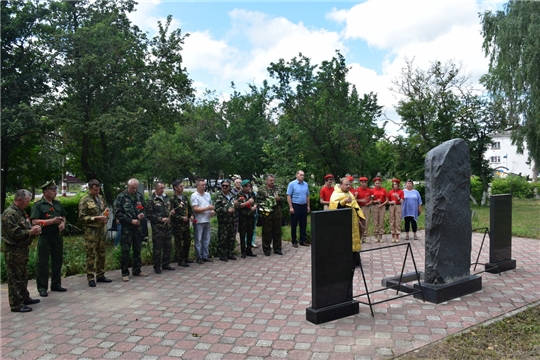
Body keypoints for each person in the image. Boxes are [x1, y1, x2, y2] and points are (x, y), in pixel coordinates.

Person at [2, 189, 42, 312]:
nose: (28, 204)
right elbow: (15, 233)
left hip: (22, 249)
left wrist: (33, 229)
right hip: (13, 250)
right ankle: (16, 304)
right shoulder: (9, 214)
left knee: (23, 275)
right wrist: (31, 232)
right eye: (27, 201)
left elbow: (25, 226)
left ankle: (24, 298)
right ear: (19, 200)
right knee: (15, 277)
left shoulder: (20, 212)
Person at [31, 180, 67, 297]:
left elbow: (63, 217)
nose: (55, 192)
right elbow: (35, 221)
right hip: (45, 236)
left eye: (55, 190)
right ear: (46, 192)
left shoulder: (57, 204)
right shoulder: (38, 205)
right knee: (43, 263)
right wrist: (51, 221)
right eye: (52, 190)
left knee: (57, 260)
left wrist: (63, 224)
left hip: (57, 236)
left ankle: (56, 284)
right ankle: (42, 287)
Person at [78, 179, 112, 287]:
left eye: (98, 190)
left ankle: (101, 275)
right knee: (91, 254)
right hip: (91, 230)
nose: (97, 192)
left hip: (101, 229)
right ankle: (91, 277)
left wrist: (105, 218)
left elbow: (104, 211)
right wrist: (95, 218)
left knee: (101, 253)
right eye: (95, 190)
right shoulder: (85, 200)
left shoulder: (101, 198)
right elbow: (82, 218)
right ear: (90, 188)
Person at [115, 178, 148, 282]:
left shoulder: (139, 196)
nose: (134, 189)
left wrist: (142, 215)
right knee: (125, 251)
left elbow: (144, 209)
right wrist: (130, 220)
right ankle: (125, 273)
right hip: (126, 228)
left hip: (137, 228)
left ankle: (137, 270)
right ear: (128, 186)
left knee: (137, 249)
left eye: (136, 187)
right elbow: (118, 213)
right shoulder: (121, 197)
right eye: (133, 187)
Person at [329, 177, 365, 269]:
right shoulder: (336, 194)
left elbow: (355, 207)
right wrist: (344, 201)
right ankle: (344, 261)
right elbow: (334, 206)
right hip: (342, 223)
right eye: (346, 185)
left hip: (353, 221)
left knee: (354, 241)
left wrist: (359, 219)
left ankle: (355, 261)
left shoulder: (349, 193)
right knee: (344, 241)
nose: (349, 186)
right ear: (341, 185)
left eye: (349, 184)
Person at [146, 181, 175, 274]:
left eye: (163, 188)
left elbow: (171, 208)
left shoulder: (167, 198)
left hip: (168, 226)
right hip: (158, 228)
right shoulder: (151, 200)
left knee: (168, 246)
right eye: (161, 188)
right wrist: (160, 219)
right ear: (156, 189)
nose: (163, 190)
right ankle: (157, 266)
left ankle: (166, 264)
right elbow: (149, 215)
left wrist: (172, 212)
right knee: (158, 248)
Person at [257, 174, 283, 256]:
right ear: (266, 181)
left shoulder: (277, 189)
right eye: (271, 180)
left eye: (273, 180)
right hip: (267, 214)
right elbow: (258, 201)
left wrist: (279, 199)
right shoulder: (261, 190)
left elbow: (284, 198)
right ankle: (266, 248)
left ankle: (277, 248)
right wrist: (264, 205)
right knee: (266, 232)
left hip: (277, 213)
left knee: (277, 231)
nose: (272, 182)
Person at [214, 179, 239, 261]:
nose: (224, 187)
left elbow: (237, 206)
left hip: (232, 219)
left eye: (226, 186)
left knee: (231, 237)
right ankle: (222, 254)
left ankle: (230, 253)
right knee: (223, 238)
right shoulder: (218, 195)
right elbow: (217, 208)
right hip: (223, 220)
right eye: (223, 186)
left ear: (230, 187)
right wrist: (226, 209)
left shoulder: (233, 195)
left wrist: (236, 205)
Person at [191, 178, 215, 264]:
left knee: (206, 239)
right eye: (202, 185)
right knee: (198, 240)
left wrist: (212, 211)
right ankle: (199, 257)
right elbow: (195, 209)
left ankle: (205, 256)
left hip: (207, 219)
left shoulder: (207, 195)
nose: (204, 186)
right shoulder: (194, 195)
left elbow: (210, 205)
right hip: (199, 221)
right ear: (197, 186)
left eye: (205, 185)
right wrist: (207, 208)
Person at [170, 180, 193, 267]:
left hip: (186, 225)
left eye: (183, 186)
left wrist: (191, 215)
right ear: (175, 188)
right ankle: (180, 259)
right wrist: (181, 218)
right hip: (178, 226)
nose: (183, 188)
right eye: (181, 186)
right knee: (178, 242)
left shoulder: (184, 197)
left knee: (188, 240)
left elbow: (189, 209)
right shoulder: (172, 199)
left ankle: (185, 257)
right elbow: (171, 214)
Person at [287, 170, 310, 248]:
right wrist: (290, 207)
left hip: (303, 206)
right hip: (295, 205)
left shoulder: (306, 184)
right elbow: (289, 196)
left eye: (303, 175)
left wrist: (308, 206)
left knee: (303, 224)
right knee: (294, 224)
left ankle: (303, 240)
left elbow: (307, 196)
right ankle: (294, 241)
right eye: (300, 175)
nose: (302, 176)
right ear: (296, 175)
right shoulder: (292, 184)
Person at [237, 180, 258, 258]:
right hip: (243, 217)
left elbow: (256, 201)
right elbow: (238, 205)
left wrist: (254, 207)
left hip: (251, 216)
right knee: (242, 234)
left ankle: (249, 250)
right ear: (243, 187)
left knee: (250, 233)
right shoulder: (239, 194)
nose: (248, 188)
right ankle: (243, 251)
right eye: (246, 186)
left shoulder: (251, 193)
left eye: (249, 186)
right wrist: (248, 202)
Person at [355, 176, 373, 243]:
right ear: (360, 183)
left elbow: (372, 200)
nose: (364, 184)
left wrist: (369, 203)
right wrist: (361, 200)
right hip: (360, 207)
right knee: (359, 222)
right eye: (362, 182)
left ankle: (364, 237)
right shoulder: (357, 190)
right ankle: (359, 236)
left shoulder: (369, 190)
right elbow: (354, 200)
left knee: (366, 221)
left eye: (365, 182)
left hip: (367, 207)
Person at [371, 175, 388, 243]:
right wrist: (375, 201)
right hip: (375, 206)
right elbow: (371, 200)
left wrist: (382, 204)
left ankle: (380, 236)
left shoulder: (383, 190)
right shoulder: (372, 191)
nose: (377, 184)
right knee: (375, 222)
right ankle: (375, 236)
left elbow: (387, 200)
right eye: (376, 183)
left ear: (381, 183)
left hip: (382, 206)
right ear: (374, 184)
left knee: (381, 221)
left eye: (379, 183)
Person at [387, 179, 405, 243]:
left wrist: (398, 197)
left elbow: (402, 201)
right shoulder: (390, 192)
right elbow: (387, 201)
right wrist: (390, 202)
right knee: (392, 220)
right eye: (393, 184)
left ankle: (397, 236)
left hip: (398, 205)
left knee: (397, 220)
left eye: (396, 184)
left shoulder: (401, 191)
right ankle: (392, 235)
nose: (394, 186)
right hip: (392, 206)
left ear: (398, 185)